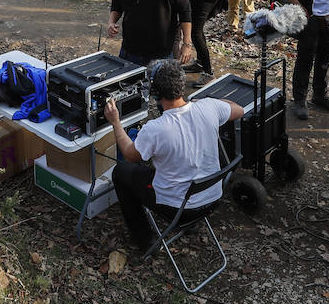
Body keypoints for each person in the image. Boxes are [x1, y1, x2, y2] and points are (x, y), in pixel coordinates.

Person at [105, 59, 245, 253]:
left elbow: (130, 155)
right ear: (181, 83)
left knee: (121, 172)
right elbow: (239, 109)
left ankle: (145, 241)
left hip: (177, 209)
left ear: (155, 93)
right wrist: (208, 103)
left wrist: (115, 122)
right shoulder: (209, 107)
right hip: (213, 199)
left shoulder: (155, 129)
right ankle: (192, 225)